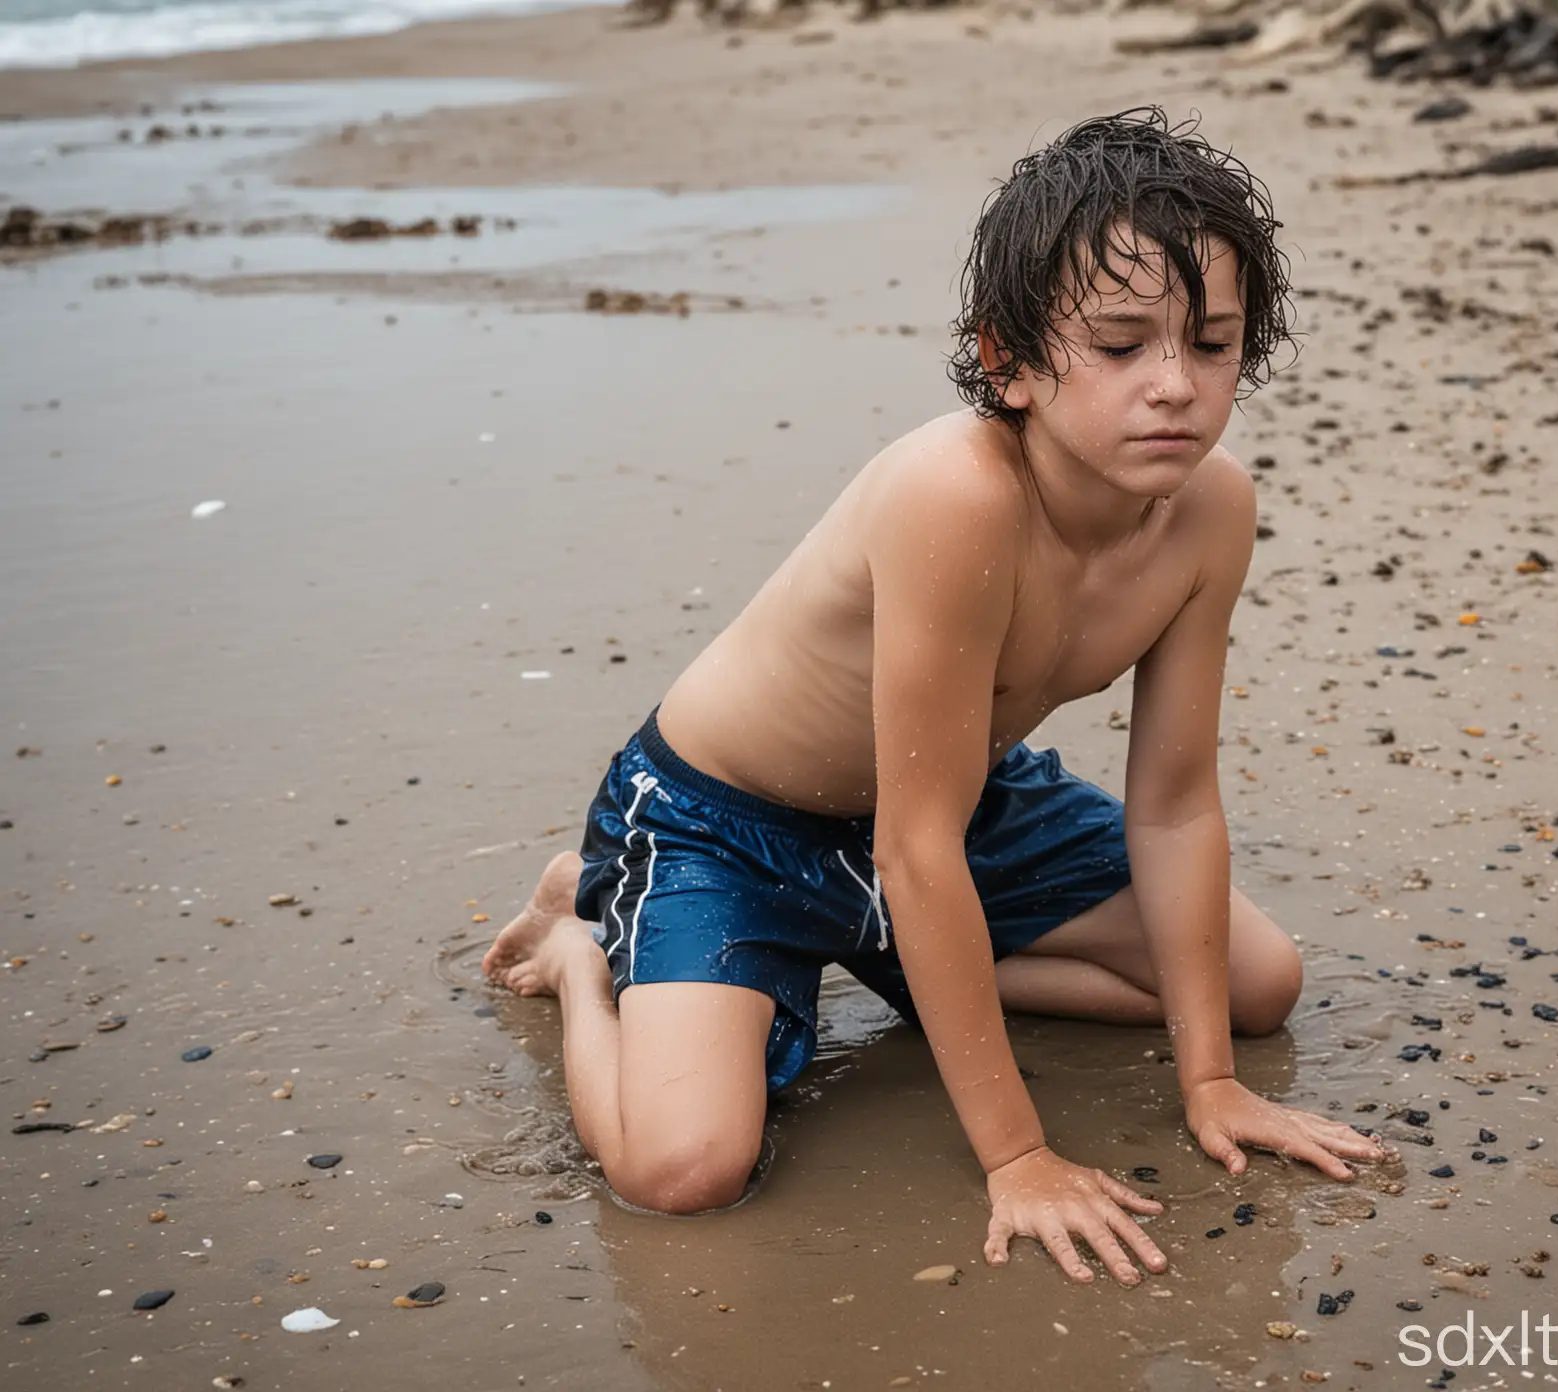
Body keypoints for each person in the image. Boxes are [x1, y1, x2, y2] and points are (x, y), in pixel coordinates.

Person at [483, 106, 1387, 1287]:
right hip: (728, 820)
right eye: (1120, 347)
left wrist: (1209, 1081)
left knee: (1255, 985)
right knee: (683, 1173)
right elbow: (916, 850)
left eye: (1211, 345)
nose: (1173, 386)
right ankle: (583, 952)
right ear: (1007, 360)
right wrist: (1019, 1155)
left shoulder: (1212, 513)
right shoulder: (956, 496)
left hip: (953, 803)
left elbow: (1171, 805)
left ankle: (884, 958)